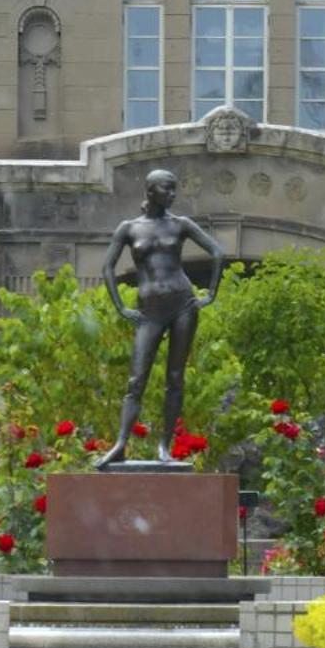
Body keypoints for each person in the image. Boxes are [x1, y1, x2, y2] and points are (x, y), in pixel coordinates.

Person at [93, 168, 227, 468]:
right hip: (149, 310)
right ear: (150, 191)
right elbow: (108, 268)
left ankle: (165, 445)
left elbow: (217, 252)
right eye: (167, 189)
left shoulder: (181, 225)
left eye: (174, 189)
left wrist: (210, 294)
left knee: (175, 378)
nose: (172, 194)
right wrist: (120, 307)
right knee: (136, 378)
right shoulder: (129, 228)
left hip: (183, 304)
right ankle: (121, 443)